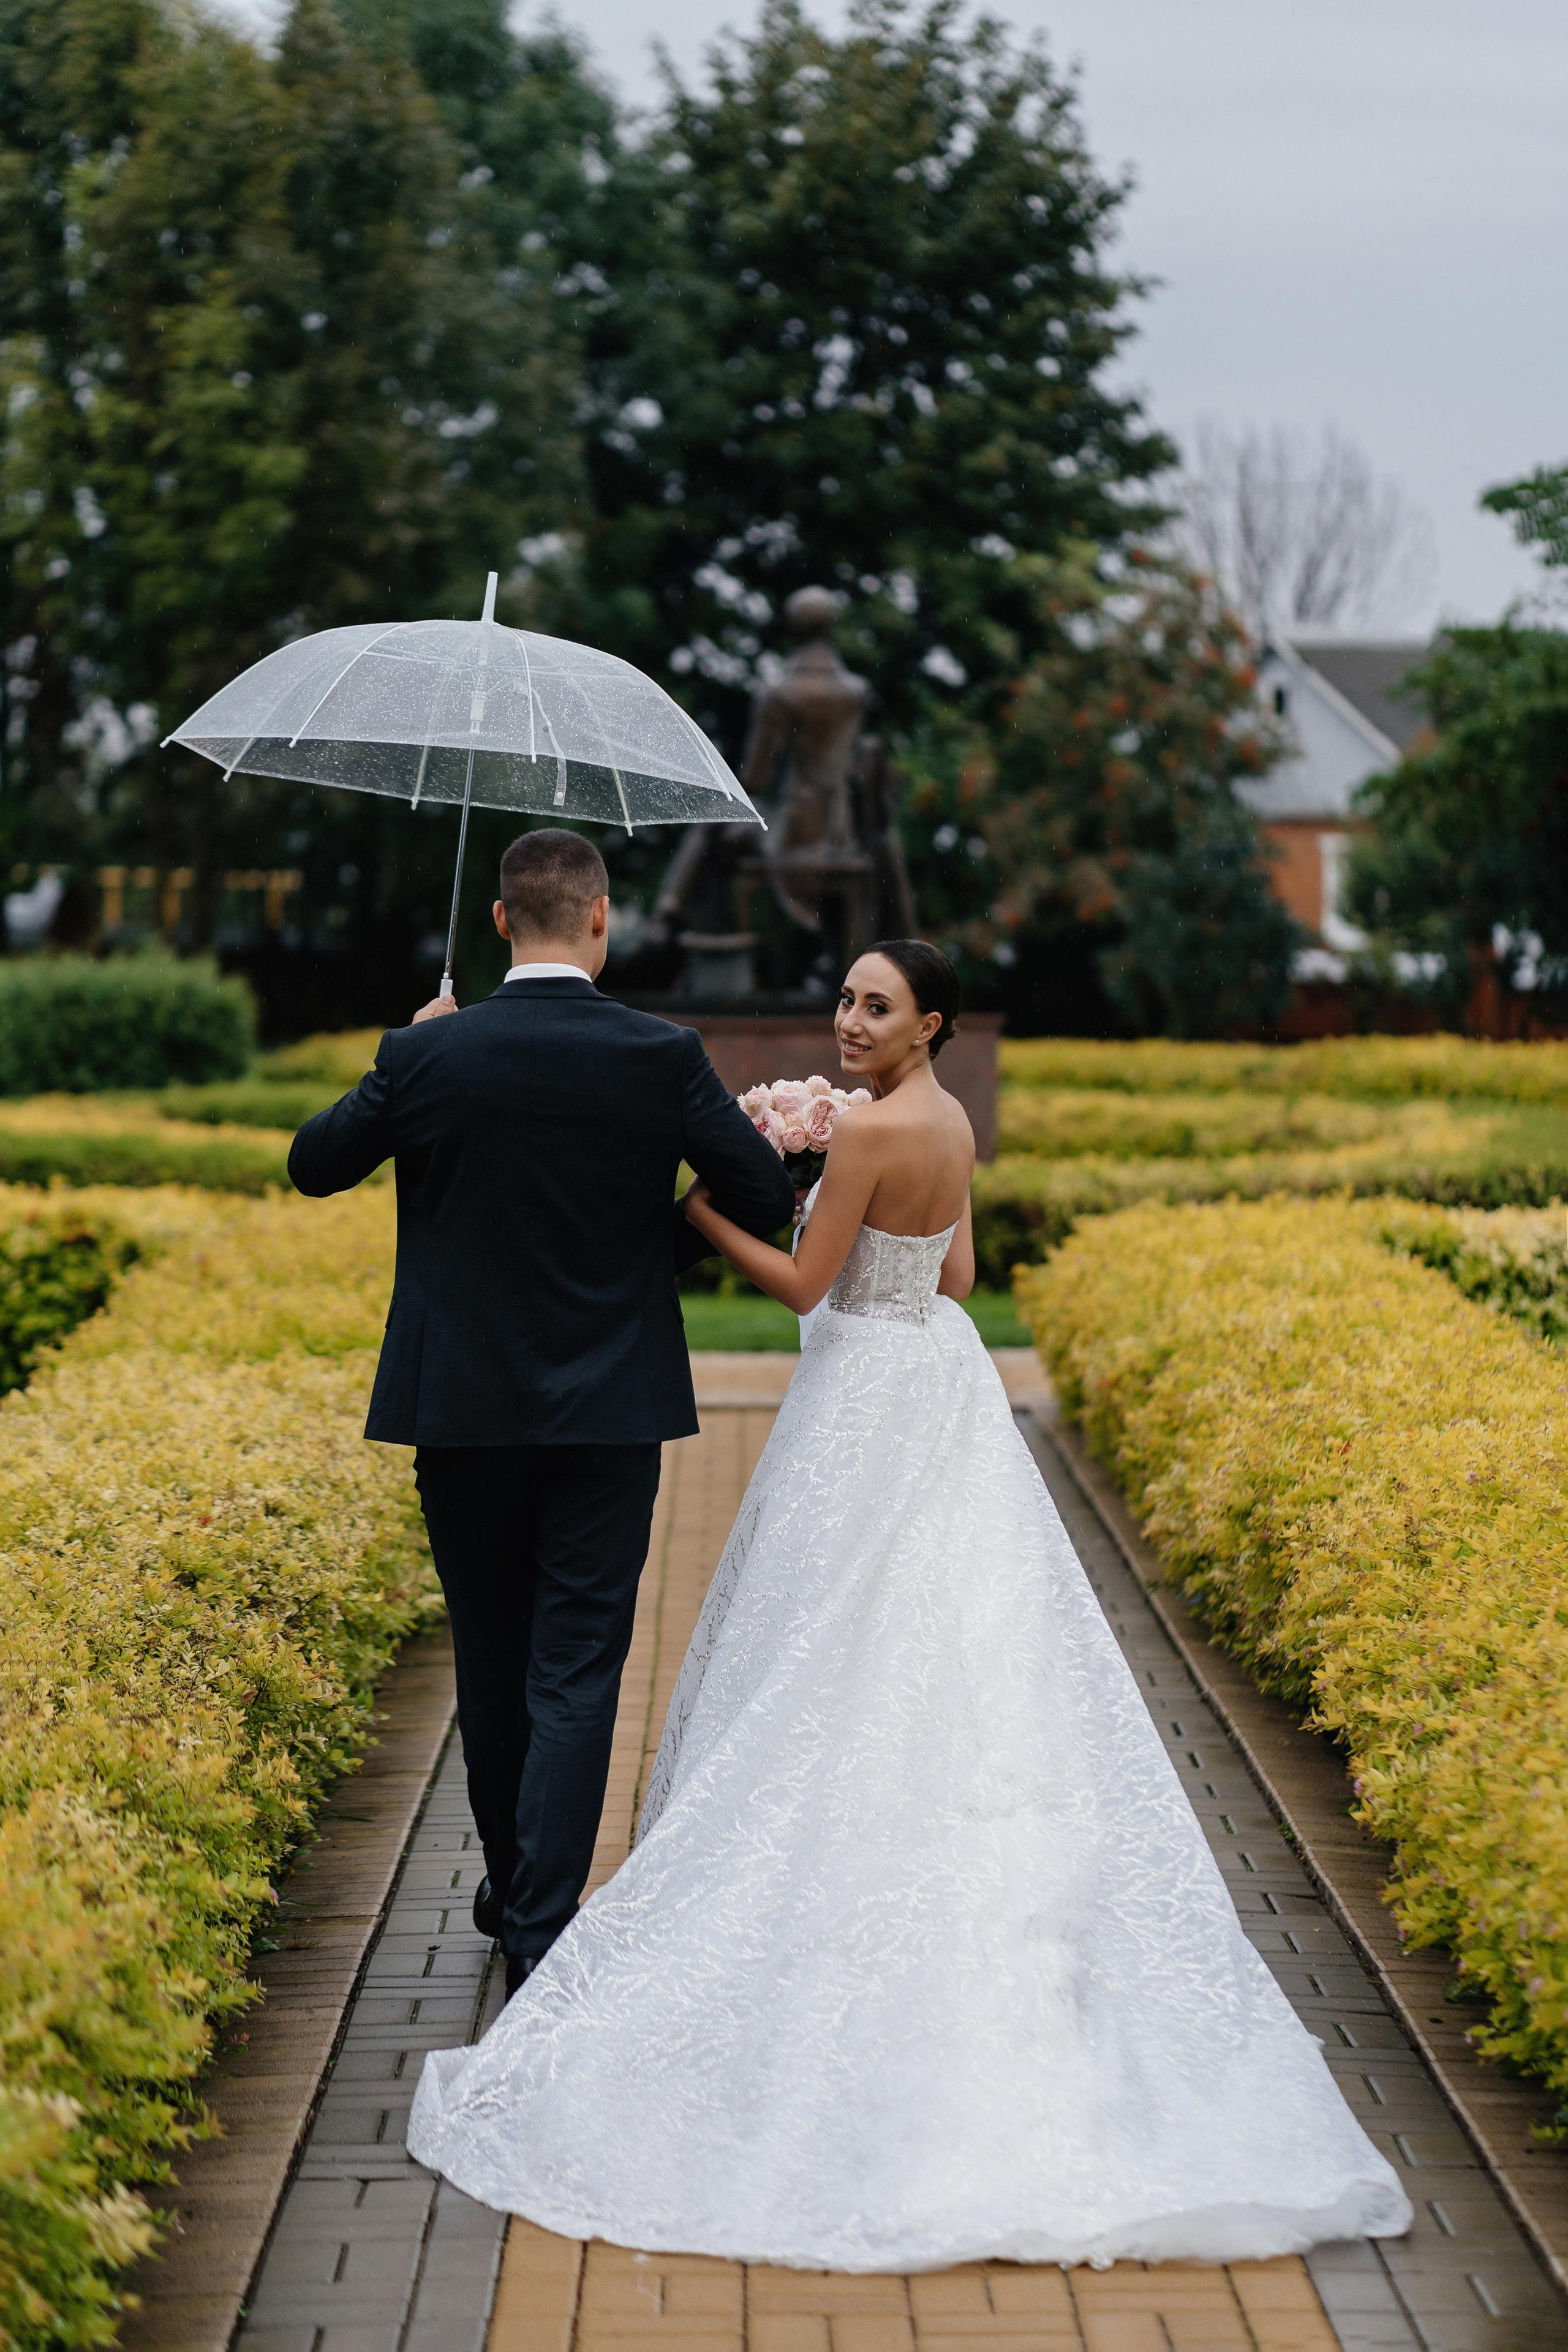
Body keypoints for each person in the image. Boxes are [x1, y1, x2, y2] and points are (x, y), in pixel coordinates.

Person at [407, 937, 1411, 2269]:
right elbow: (955, 1281)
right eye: (844, 1001)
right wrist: (855, 1198)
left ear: (928, 1020)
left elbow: (800, 1284)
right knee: (951, 1636)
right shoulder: (949, 1127)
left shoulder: (877, 1131)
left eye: (875, 1007)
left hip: (860, 1402)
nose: (847, 1023)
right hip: (939, 1392)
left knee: (827, 1644)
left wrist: (701, 1213)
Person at [287, 829, 796, 1997]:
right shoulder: (660, 1054)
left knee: (493, 1654)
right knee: (575, 1668)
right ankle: (538, 1924)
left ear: (504, 924)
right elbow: (764, 1193)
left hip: (459, 1410)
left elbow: (316, 1165)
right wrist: (639, 1258)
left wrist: (404, 1059)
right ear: (605, 919)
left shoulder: (430, 1056)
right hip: (610, 1411)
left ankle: (515, 1884)